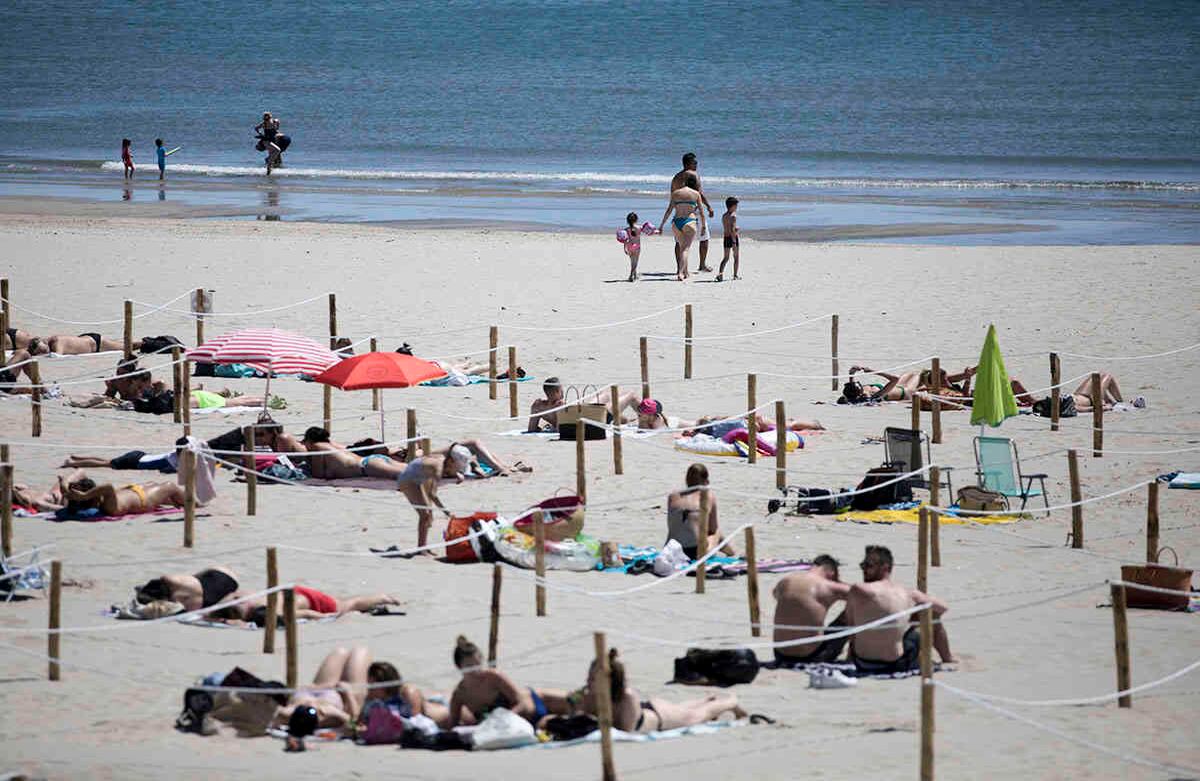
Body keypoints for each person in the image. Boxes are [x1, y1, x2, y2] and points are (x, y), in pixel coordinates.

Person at [569, 647, 745, 732]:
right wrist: (577, 702)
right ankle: (708, 699)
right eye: (589, 676)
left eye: (592, 678)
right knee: (684, 708)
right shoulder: (590, 691)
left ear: (608, 680)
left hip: (661, 719)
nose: (587, 681)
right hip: (651, 708)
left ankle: (731, 702)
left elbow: (627, 731)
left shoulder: (626, 696)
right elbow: (572, 708)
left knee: (698, 715)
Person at [845, 545, 954, 674]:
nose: (864, 570)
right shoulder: (908, 593)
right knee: (931, 615)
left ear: (885, 567)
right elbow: (943, 608)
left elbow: (852, 629)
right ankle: (948, 658)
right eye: (863, 565)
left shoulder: (858, 590)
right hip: (897, 663)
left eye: (868, 565)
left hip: (863, 662)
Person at [446, 636, 562, 727]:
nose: (476, 670)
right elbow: (453, 724)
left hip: (535, 709)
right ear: (459, 667)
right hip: (505, 729)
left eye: (478, 664)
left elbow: (522, 704)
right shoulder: (459, 694)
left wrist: (504, 719)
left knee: (569, 703)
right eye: (470, 667)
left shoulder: (493, 677)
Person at [271, 646, 373, 734]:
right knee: (360, 652)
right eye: (313, 710)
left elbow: (270, 714)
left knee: (340, 652)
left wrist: (319, 687)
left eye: (305, 707)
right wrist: (348, 693)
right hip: (344, 697)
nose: (310, 705)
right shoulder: (328, 712)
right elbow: (355, 721)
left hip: (320, 688)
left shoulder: (288, 713)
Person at [772, 555, 851, 665]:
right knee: (854, 611)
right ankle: (853, 657)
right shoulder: (828, 586)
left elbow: (775, 594)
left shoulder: (786, 581)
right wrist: (838, 583)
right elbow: (863, 596)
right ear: (832, 572)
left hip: (780, 654)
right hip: (812, 656)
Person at [210, 586, 400, 624]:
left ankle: (382, 598)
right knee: (342, 601)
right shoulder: (247, 600)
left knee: (348, 605)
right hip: (294, 592)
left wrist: (328, 618)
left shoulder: (280, 614)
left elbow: (309, 614)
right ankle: (380, 598)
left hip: (306, 600)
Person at [666, 464, 735, 558]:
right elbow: (713, 529)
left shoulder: (672, 496)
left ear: (687, 479)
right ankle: (731, 552)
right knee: (716, 532)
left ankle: (731, 552)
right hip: (695, 552)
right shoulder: (708, 496)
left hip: (671, 549)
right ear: (706, 480)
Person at [359, 660, 452, 729]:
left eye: (373, 686)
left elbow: (417, 722)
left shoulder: (408, 693)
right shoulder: (374, 698)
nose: (369, 690)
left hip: (446, 717)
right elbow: (360, 722)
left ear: (385, 685)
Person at [526, 377, 639, 432]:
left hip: (586, 415)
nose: (563, 392)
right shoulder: (561, 405)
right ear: (557, 392)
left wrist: (548, 427)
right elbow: (563, 429)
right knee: (630, 395)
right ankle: (646, 417)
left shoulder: (537, 406)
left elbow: (531, 429)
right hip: (594, 421)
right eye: (561, 390)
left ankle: (625, 420)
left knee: (604, 395)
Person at [59, 470, 186, 515]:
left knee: (153, 484)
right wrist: (84, 496)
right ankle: (194, 504)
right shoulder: (108, 506)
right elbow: (108, 486)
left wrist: (65, 485)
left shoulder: (101, 498)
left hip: (133, 490)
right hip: (143, 499)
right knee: (170, 486)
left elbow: (80, 471)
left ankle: (177, 501)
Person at [669, 153, 715, 273]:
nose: (696, 165)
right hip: (693, 211)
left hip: (679, 211)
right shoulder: (694, 175)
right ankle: (702, 265)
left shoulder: (676, 178)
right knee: (704, 238)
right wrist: (709, 206)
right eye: (695, 163)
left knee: (679, 241)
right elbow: (699, 193)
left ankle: (679, 267)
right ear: (688, 163)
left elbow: (673, 196)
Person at [659, 173, 706, 281]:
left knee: (682, 248)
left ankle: (686, 271)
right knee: (686, 249)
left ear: (684, 182)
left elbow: (669, 210)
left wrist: (661, 225)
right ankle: (680, 273)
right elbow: (702, 212)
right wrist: (703, 226)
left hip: (676, 222)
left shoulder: (676, 193)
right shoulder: (696, 194)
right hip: (690, 221)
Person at [134, 567, 240, 611]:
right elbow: (163, 578)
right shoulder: (171, 580)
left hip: (207, 601)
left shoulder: (179, 606)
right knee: (194, 580)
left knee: (194, 582)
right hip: (227, 578)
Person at [716, 196, 740, 281]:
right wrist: (734, 241)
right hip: (733, 238)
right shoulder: (733, 216)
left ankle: (720, 273)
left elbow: (727, 227)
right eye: (736, 206)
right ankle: (735, 275)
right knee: (736, 257)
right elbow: (732, 229)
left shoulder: (724, 216)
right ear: (732, 206)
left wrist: (734, 229)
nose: (736, 207)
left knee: (725, 258)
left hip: (726, 237)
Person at [622, 211, 643, 282]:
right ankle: (631, 275)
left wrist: (625, 248)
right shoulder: (639, 228)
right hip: (637, 246)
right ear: (636, 220)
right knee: (635, 262)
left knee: (632, 261)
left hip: (629, 246)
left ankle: (635, 275)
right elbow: (648, 230)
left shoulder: (626, 230)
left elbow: (625, 240)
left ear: (627, 221)